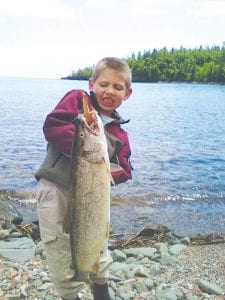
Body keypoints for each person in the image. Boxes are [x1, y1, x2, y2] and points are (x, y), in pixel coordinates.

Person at [35, 57, 133, 300]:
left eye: (117, 87)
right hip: (55, 191)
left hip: (93, 197)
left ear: (127, 93)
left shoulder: (120, 134)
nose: (109, 91)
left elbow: (125, 169)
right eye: (104, 84)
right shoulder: (77, 101)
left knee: (97, 243)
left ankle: (100, 287)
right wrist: (86, 142)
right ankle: (70, 294)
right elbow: (52, 126)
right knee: (59, 249)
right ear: (91, 83)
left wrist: (102, 170)